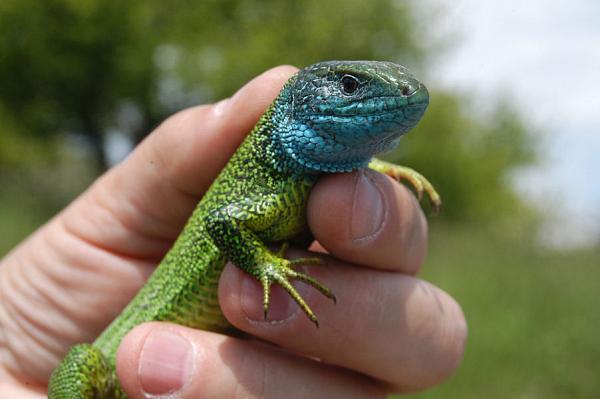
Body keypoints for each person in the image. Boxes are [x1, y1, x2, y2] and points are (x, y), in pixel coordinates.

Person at [0, 66, 467, 398]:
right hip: (106, 375)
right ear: (300, 101)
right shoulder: (272, 175)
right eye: (349, 86)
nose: (393, 93)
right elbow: (223, 221)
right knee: (83, 365)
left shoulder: (313, 178)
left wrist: (368, 165)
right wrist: (263, 264)